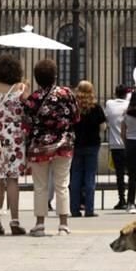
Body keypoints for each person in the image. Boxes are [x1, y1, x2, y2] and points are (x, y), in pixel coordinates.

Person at [24, 59, 79, 235]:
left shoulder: (33, 99)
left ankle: (40, 224)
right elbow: (76, 117)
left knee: (40, 186)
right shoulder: (66, 93)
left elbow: (27, 124)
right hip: (63, 144)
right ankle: (63, 224)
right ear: (55, 75)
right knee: (62, 184)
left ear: (37, 78)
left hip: (39, 147)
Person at [0, 54, 29, 235]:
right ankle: (15, 220)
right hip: (14, 138)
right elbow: (27, 107)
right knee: (12, 179)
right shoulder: (21, 87)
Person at [70, 80, 104, 217]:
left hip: (76, 144)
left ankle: (74, 209)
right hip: (92, 144)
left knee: (75, 177)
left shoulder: (73, 107)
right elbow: (103, 127)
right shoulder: (96, 107)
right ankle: (89, 209)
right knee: (90, 177)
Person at [104, 84, 130, 210]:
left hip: (115, 145)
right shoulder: (129, 105)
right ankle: (131, 200)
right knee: (132, 173)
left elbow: (106, 119)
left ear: (115, 93)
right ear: (126, 94)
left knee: (119, 175)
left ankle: (122, 199)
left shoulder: (109, 104)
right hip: (129, 144)